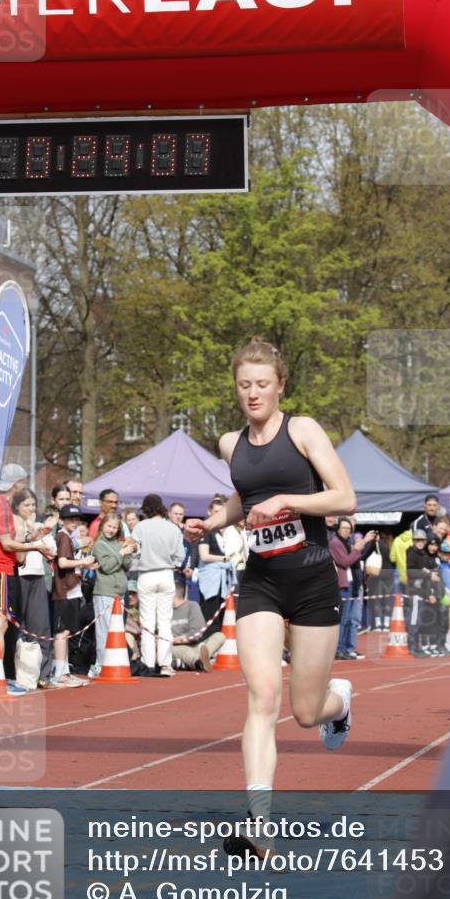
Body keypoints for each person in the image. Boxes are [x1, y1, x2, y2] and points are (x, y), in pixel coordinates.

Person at [185, 338, 356, 855]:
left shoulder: (302, 429)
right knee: (262, 697)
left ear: (281, 385)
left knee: (306, 712)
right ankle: (260, 823)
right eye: (244, 385)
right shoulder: (229, 443)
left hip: (312, 580)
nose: (253, 393)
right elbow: (247, 492)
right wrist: (215, 519)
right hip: (260, 580)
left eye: (262, 384)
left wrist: (288, 500)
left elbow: (344, 497)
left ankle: (340, 703)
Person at [0, 463, 53, 684]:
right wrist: (35, 547)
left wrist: (32, 539)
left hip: (2, 568)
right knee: (0, 623)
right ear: (17, 484)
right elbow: (6, 544)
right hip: (1, 570)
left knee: (1, 622)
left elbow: (10, 542)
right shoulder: (2, 506)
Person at [132, 494, 185, 677]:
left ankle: (148, 663)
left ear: (145, 509)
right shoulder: (173, 528)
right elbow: (180, 556)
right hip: (166, 574)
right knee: (164, 622)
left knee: (147, 623)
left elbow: (134, 552)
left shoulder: (140, 527)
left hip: (146, 575)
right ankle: (165, 664)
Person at [12, 488, 56, 688]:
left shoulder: (39, 525)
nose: (30, 509)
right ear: (17, 506)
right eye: (26, 505)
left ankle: (43, 674)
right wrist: (29, 533)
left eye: (32, 505)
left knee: (41, 627)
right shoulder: (13, 522)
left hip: (37, 576)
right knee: (16, 626)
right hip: (18, 576)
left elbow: (51, 549)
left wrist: (39, 532)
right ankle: (13, 672)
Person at [52, 504, 96, 685]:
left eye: (76, 519)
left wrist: (84, 564)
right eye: (70, 519)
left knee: (67, 631)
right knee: (62, 632)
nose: (74, 522)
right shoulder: (63, 537)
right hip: (64, 591)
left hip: (71, 589)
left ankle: (64, 671)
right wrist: (83, 561)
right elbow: (62, 563)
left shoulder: (68, 537)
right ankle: (60, 673)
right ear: (62, 520)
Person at [91, 512, 137, 676]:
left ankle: (113, 664)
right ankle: (101, 665)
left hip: (120, 593)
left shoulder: (119, 543)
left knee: (117, 630)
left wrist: (127, 549)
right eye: (109, 526)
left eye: (115, 527)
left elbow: (127, 564)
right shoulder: (99, 545)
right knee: (104, 631)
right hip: (105, 592)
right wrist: (121, 553)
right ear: (102, 526)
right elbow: (107, 566)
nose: (111, 530)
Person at [329, 518, 373, 660]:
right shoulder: (335, 543)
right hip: (344, 585)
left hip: (354, 584)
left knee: (353, 619)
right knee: (344, 619)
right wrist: (357, 549)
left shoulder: (348, 542)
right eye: (344, 528)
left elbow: (357, 557)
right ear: (338, 529)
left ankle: (348, 648)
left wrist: (365, 544)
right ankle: (340, 649)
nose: (347, 531)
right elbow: (345, 561)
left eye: (349, 529)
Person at [197, 495, 236, 633]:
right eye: (216, 512)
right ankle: (208, 649)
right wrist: (224, 559)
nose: (218, 515)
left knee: (224, 616)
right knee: (210, 616)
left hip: (225, 580)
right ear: (209, 512)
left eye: (221, 512)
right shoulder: (206, 531)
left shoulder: (229, 531)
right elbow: (204, 555)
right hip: (210, 580)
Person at [171, 579, 226, 672]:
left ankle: (196, 660)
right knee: (179, 650)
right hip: (176, 648)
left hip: (194, 645)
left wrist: (175, 639)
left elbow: (197, 633)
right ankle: (198, 662)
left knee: (220, 636)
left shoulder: (192, 606)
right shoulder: (163, 610)